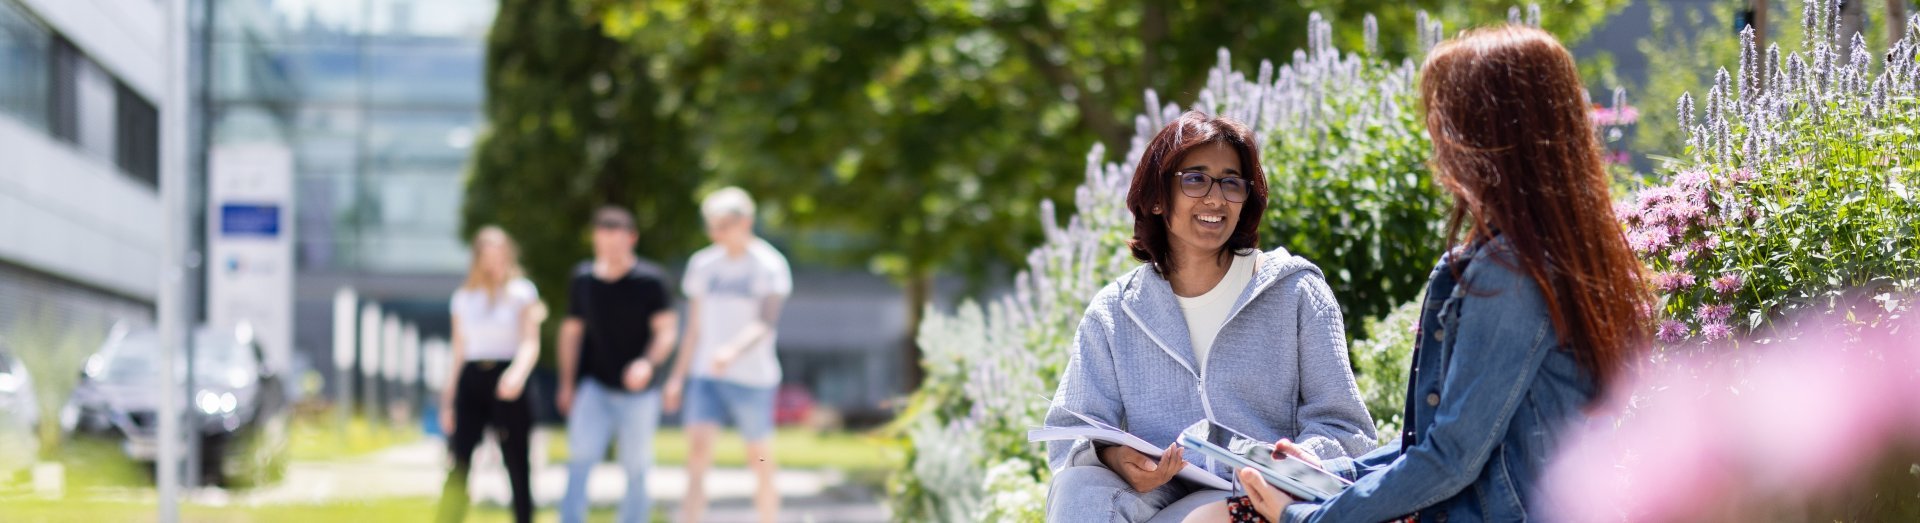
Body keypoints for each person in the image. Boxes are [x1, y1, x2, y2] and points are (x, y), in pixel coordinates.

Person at [1186, 25, 1654, 523]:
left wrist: (1308, 518)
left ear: (1488, 135)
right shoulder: (1544, 253)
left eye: (1445, 117)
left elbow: (1451, 458)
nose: (1436, 139)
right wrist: (1330, 475)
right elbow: (1432, 446)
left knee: (1221, 518)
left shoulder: (1512, 274)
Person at [1043, 110, 1378, 522]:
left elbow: (1347, 429)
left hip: (1262, 497)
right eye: (1195, 179)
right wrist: (1113, 456)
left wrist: (1292, 462)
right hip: (1157, 497)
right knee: (1076, 487)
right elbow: (1070, 433)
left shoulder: (1295, 292)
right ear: (1157, 198)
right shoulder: (1114, 311)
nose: (1216, 199)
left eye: (1231, 183)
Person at [665, 187, 793, 523]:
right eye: (712, 226)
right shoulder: (702, 264)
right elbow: (693, 328)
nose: (716, 234)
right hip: (706, 376)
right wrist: (677, 377)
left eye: (723, 226)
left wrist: (732, 350)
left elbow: (766, 321)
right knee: (697, 455)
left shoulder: (769, 265)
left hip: (754, 378)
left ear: (745, 222)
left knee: (759, 458)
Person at [557, 206, 680, 523]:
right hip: (594, 385)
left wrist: (647, 363)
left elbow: (666, 332)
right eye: (602, 242)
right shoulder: (583, 279)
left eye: (616, 242)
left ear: (631, 239)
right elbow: (571, 332)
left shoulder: (651, 280)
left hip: (640, 392)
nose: (609, 250)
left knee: (636, 465)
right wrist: (567, 383)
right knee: (580, 458)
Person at [438, 226, 542, 523]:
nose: (494, 263)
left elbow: (530, 342)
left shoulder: (522, 292)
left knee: (517, 461)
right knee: (459, 460)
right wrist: (448, 400)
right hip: (472, 378)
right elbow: (458, 352)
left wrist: (517, 374)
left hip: (508, 377)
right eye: (487, 256)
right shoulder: (463, 298)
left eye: (499, 255)